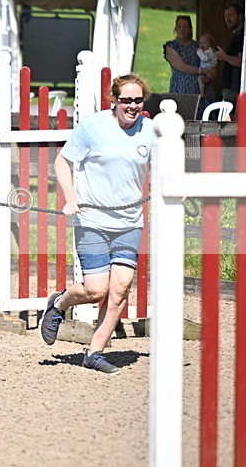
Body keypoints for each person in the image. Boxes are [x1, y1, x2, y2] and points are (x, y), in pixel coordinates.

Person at [39, 73, 156, 375]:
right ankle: (59, 305)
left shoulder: (150, 130)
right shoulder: (93, 126)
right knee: (95, 289)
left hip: (129, 222)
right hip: (92, 220)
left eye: (138, 100)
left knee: (119, 289)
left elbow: (176, 159)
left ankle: (94, 352)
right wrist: (70, 197)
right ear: (114, 100)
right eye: (126, 100)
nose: (132, 106)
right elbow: (62, 161)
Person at [163, 15, 215, 114]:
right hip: (181, 88)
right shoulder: (171, 46)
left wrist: (212, 71)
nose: (182, 29)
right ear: (175, 29)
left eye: (185, 27)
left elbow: (209, 59)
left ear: (190, 29)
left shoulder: (198, 46)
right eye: (179, 26)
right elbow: (182, 67)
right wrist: (204, 71)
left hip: (201, 89)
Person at [215, 2, 244, 108]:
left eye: (231, 15)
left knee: (230, 122)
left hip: (234, 90)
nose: (227, 19)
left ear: (240, 16)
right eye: (226, 16)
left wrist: (224, 57)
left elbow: (242, 62)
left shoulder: (241, 36)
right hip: (232, 89)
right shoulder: (237, 35)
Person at [196, 33, 217, 97]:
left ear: (210, 44)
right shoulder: (206, 51)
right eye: (200, 43)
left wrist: (199, 52)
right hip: (207, 68)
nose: (202, 45)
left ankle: (202, 93)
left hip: (208, 68)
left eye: (204, 42)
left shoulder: (209, 52)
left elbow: (204, 59)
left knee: (200, 79)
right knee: (201, 79)